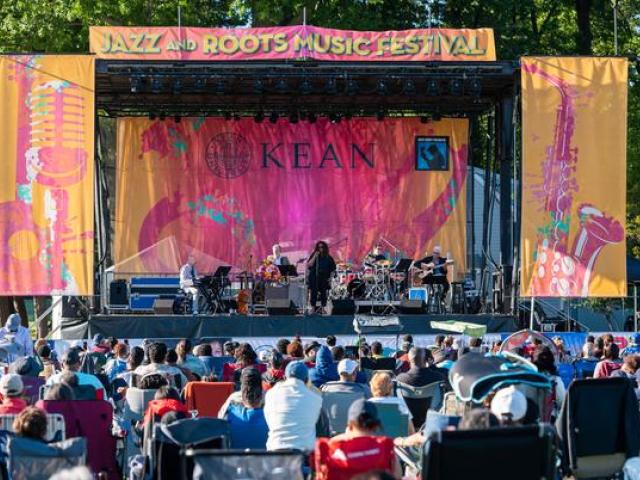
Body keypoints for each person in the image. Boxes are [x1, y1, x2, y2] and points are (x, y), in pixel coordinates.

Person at [324, 399, 401, 478]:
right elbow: (397, 476)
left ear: (349, 425)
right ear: (375, 426)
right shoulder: (385, 448)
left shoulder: (335, 448)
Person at [264, 360, 322, 451]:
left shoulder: (270, 394)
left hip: (274, 450)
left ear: (285, 377)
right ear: (306, 379)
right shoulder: (316, 398)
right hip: (304, 453)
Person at [221, 368, 269, 449]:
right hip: (265, 458)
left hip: (235, 457)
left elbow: (221, 421)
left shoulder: (232, 400)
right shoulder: (271, 399)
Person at [306, 240, 337, 313]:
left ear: (325, 248)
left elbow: (333, 269)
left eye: (322, 247)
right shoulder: (314, 255)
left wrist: (330, 278)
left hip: (324, 277)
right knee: (313, 293)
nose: (320, 249)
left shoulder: (328, 257)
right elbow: (309, 265)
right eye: (319, 247)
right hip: (314, 277)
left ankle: (323, 308)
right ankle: (313, 308)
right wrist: (314, 256)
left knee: (324, 293)